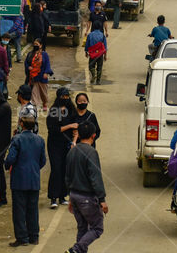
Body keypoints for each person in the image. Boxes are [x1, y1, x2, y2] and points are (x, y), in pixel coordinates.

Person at [64, 122, 108, 253]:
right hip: (87, 197)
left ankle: (78, 250)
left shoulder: (72, 152)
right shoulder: (91, 152)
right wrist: (102, 199)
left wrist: (70, 197)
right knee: (97, 228)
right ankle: (75, 250)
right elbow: (95, 177)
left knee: (82, 228)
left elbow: (67, 177)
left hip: (74, 195)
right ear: (93, 136)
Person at [4, 114, 46, 246]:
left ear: (22, 124)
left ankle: (22, 238)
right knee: (32, 209)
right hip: (34, 179)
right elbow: (43, 160)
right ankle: (34, 236)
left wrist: (7, 165)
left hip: (19, 179)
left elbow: (11, 158)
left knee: (19, 210)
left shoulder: (17, 139)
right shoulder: (40, 140)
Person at [46, 87, 79, 209]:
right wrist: (69, 125)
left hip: (67, 143)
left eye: (67, 96)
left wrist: (74, 141)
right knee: (56, 169)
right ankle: (53, 197)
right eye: (63, 97)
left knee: (65, 169)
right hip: (54, 144)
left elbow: (76, 127)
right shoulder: (54, 111)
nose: (65, 99)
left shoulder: (71, 110)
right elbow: (53, 129)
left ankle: (62, 196)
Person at [24, 39, 52, 111]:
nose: (35, 45)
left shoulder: (44, 54)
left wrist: (46, 73)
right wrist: (28, 67)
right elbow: (26, 63)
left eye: (37, 44)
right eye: (34, 44)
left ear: (41, 45)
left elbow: (47, 64)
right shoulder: (30, 54)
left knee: (43, 93)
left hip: (42, 76)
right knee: (34, 92)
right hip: (33, 77)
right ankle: (34, 106)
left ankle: (44, 103)